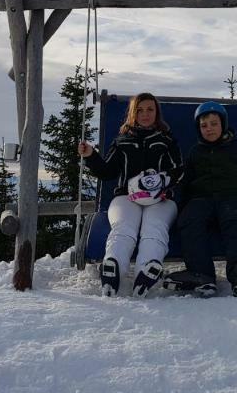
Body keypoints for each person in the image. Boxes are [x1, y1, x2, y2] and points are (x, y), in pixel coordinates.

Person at [78, 92, 183, 297]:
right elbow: (107, 172)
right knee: (124, 227)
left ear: (156, 113)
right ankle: (114, 266)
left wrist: (162, 182)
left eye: (150, 109)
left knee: (155, 227)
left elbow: (179, 170)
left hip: (160, 199)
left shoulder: (166, 141)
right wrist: (91, 156)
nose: (145, 114)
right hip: (126, 197)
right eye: (140, 110)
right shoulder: (122, 142)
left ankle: (147, 269)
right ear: (133, 114)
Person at [177, 101, 237, 297]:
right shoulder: (195, 152)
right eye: (204, 126)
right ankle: (202, 275)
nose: (209, 129)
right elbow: (185, 182)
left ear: (223, 124)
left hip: (233, 198)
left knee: (236, 225)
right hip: (202, 199)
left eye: (214, 124)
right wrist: (178, 207)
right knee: (190, 222)